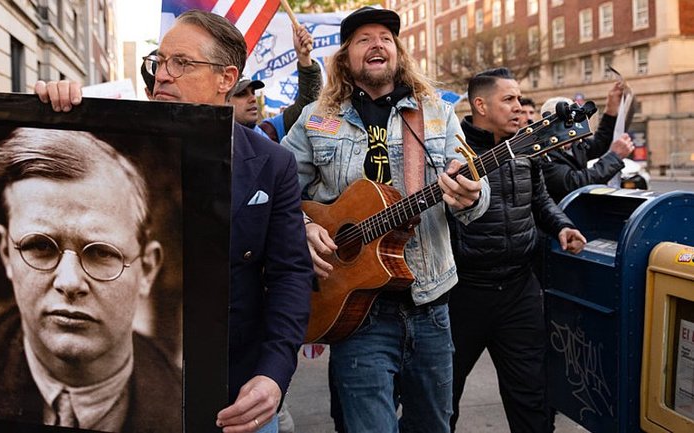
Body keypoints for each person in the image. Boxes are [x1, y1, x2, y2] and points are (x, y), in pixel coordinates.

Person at [36, 10, 314, 433]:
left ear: (226, 78)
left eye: (181, 63)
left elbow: (291, 273)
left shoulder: (272, 165)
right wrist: (52, 115)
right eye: (159, 61)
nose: (161, 75)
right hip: (123, 394)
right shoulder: (113, 142)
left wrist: (273, 373)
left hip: (232, 393)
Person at [281, 7, 490, 433]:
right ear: (345, 58)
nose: (378, 43)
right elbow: (276, 189)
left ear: (397, 52)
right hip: (355, 312)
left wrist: (470, 197)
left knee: (433, 425)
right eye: (364, 39)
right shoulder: (317, 119)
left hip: (428, 305)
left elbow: (473, 188)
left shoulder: (435, 113)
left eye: (386, 38)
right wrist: (304, 227)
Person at [0, 127, 181, 432]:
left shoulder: (186, 406)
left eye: (101, 252)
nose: (70, 282)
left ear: (147, 270)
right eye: (40, 247)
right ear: (6, 253)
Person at [447, 67, 587, 433]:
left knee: (532, 398)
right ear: (480, 104)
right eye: (508, 99)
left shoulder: (527, 144)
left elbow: (539, 199)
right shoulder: (450, 148)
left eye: (518, 98)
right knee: (441, 399)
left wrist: (563, 225)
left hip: (519, 290)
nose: (518, 106)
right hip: (463, 294)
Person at [539, 81, 635, 202]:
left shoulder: (576, 145)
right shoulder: (542, 155)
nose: (576, 127)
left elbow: (600, 144)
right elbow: (575, 182)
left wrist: (611, 110)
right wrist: (615, 157)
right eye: (569, 122)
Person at [231, 23, 322, 143]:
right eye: (242, 93)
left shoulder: (270, 131)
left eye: (253, 92)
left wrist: (304, 58)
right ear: (223, 100)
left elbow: (308, 105)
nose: (252, 98)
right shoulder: (209, 147)